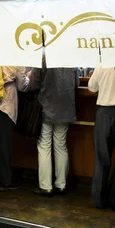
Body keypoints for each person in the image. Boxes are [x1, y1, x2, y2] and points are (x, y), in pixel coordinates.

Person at [31, 56, 79, 196]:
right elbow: (76, 83)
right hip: (66, 108)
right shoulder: (71, 59)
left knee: (44, 145)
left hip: (47, 107)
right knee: (61, 145)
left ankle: (46, 186)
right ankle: (61, 184)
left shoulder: (43, 57)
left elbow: (33, 83)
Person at [88, 64, 115, 208]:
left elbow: (91, 89)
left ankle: (99, 200)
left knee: (101, 159)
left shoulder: (102, 65)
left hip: (103, 114)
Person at [0, 66, 30, 191]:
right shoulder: (15, 61)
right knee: (4, 145)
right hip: (6, 104)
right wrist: (28, 78)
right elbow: (22, 86)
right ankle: (4, 181)